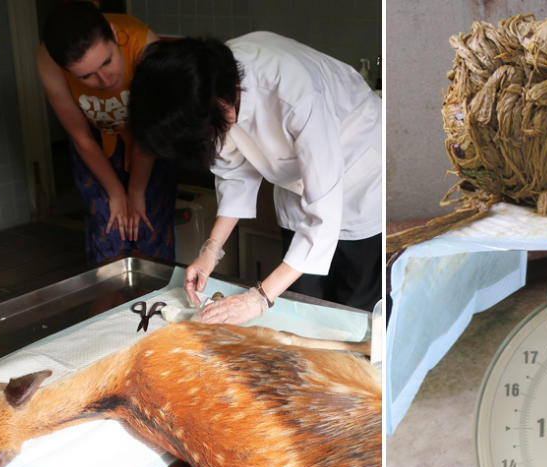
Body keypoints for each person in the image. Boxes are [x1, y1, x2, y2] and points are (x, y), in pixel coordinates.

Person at [129, 33, 382, 324]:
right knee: (300, 304)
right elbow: (234, 174)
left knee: (351, 311)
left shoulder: (296, 93)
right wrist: (210, 250)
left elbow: (323, 216)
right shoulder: (204, 86)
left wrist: (259, 298)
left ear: (221, 106)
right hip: (297, 186)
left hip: (359, 178)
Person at [38, 1, 175, 264]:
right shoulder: (48, 61)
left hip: (150, 137)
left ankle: (156, 300)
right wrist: (115, 192)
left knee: (148, 225)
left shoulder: (145, 45)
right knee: (108, 228)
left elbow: (148, 135)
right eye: (86, 76)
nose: (104, 80)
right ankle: (108, 304)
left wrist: (135, 191)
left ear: (113, 34)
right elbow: (81, 137)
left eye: (107, 62)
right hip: (96, 140)